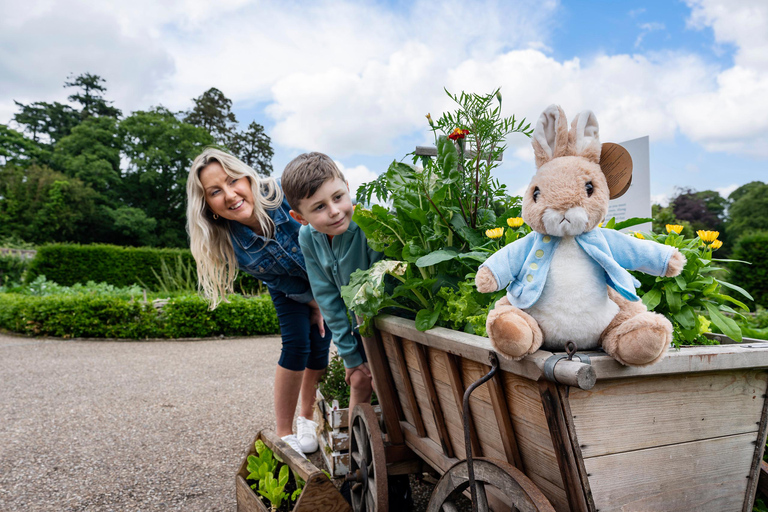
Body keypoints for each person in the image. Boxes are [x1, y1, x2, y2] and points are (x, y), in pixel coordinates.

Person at [186, 148, 330, 458]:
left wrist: (325, 300)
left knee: (320, 343)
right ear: (209, 206)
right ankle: (285, 434)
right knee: (296, 345)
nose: (229, 194)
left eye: (232, 180)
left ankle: (306, 417)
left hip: (326, 277)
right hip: (288, 287)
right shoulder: (232, 243)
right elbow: (279, 281)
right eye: (215, 191)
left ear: (248, 177)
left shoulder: (286, 194)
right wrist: (312, 302)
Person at [281, 152, 382, 414]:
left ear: (347, 188)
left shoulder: (369, 225)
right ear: (299, 217)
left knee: (388, 384)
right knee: (358, 380)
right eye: (319, 207)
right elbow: (326, 296)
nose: (335, 211)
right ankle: (354, 449)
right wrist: (351, 357)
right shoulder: (307, 236)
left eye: (338, 197)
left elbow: (382, 290)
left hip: (383, 324)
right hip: (354, 327)